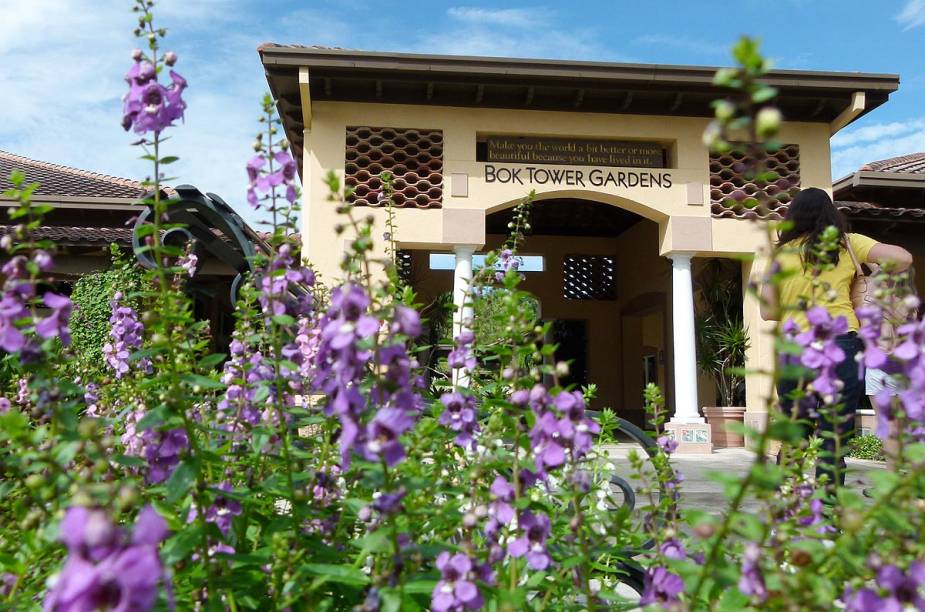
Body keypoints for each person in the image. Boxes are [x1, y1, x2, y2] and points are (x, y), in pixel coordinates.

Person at [759, 187, 912, 490]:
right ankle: (829, 517)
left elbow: (767, 311)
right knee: (834, 435)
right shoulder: (848, 244)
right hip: (841, 346)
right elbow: (903, 258)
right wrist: (870, 275)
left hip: (796, 348)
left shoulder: (781, 254)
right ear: (831, 214)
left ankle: (785, 512)